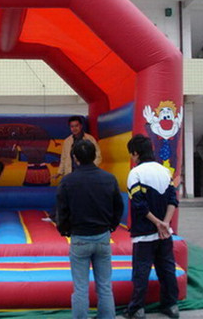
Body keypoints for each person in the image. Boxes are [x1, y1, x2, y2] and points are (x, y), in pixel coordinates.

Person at [56, 140, 124, 319]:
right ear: (95, 156)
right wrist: (112, 225)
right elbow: (119, 206)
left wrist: (64, 230)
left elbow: (62, 211)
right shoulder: (109, 178)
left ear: (75, 158)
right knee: (105, 285)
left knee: (80, 288)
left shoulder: (68, 181)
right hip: (102, 236)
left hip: (79, 237)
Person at [123, 134, 179, 319]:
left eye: (131, 154)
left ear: (136, 153)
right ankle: (171, 306)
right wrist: (165, 223)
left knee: (141, 271)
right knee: (167, 269)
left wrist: (156, 223)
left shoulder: (135, 173)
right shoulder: (165, 171)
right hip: (165, 233)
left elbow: (139, 205)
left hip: (144, 234)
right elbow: (173, 199)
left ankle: (137, 309)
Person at [45, 116, 103, 222]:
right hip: (71, 173)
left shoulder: (89, 139)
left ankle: (84, 217)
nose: (74, 128)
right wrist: (59, 172)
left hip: (85, 173)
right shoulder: (68, 141)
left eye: (76, 126)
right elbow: (64, 158)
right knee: (63, 195)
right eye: (72, 127)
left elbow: (98, 156)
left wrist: (91, 167)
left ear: (81, 126)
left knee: (84, 196)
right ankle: (55, 216)